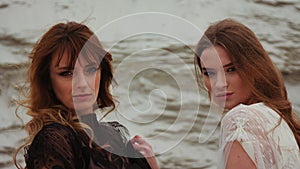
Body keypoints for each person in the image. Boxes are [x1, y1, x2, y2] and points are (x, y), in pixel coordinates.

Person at [14, 21, 159, 169]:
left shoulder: (111, 137)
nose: (82, 83)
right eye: (67, 73)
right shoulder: (53, 142)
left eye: (90, 70)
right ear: (47, 81)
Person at [194, 18, 300, 168]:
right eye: (209, 73)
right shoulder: (275, 118)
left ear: (254, 66)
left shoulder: (241, 120)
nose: (220, 84)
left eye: (231, 69)